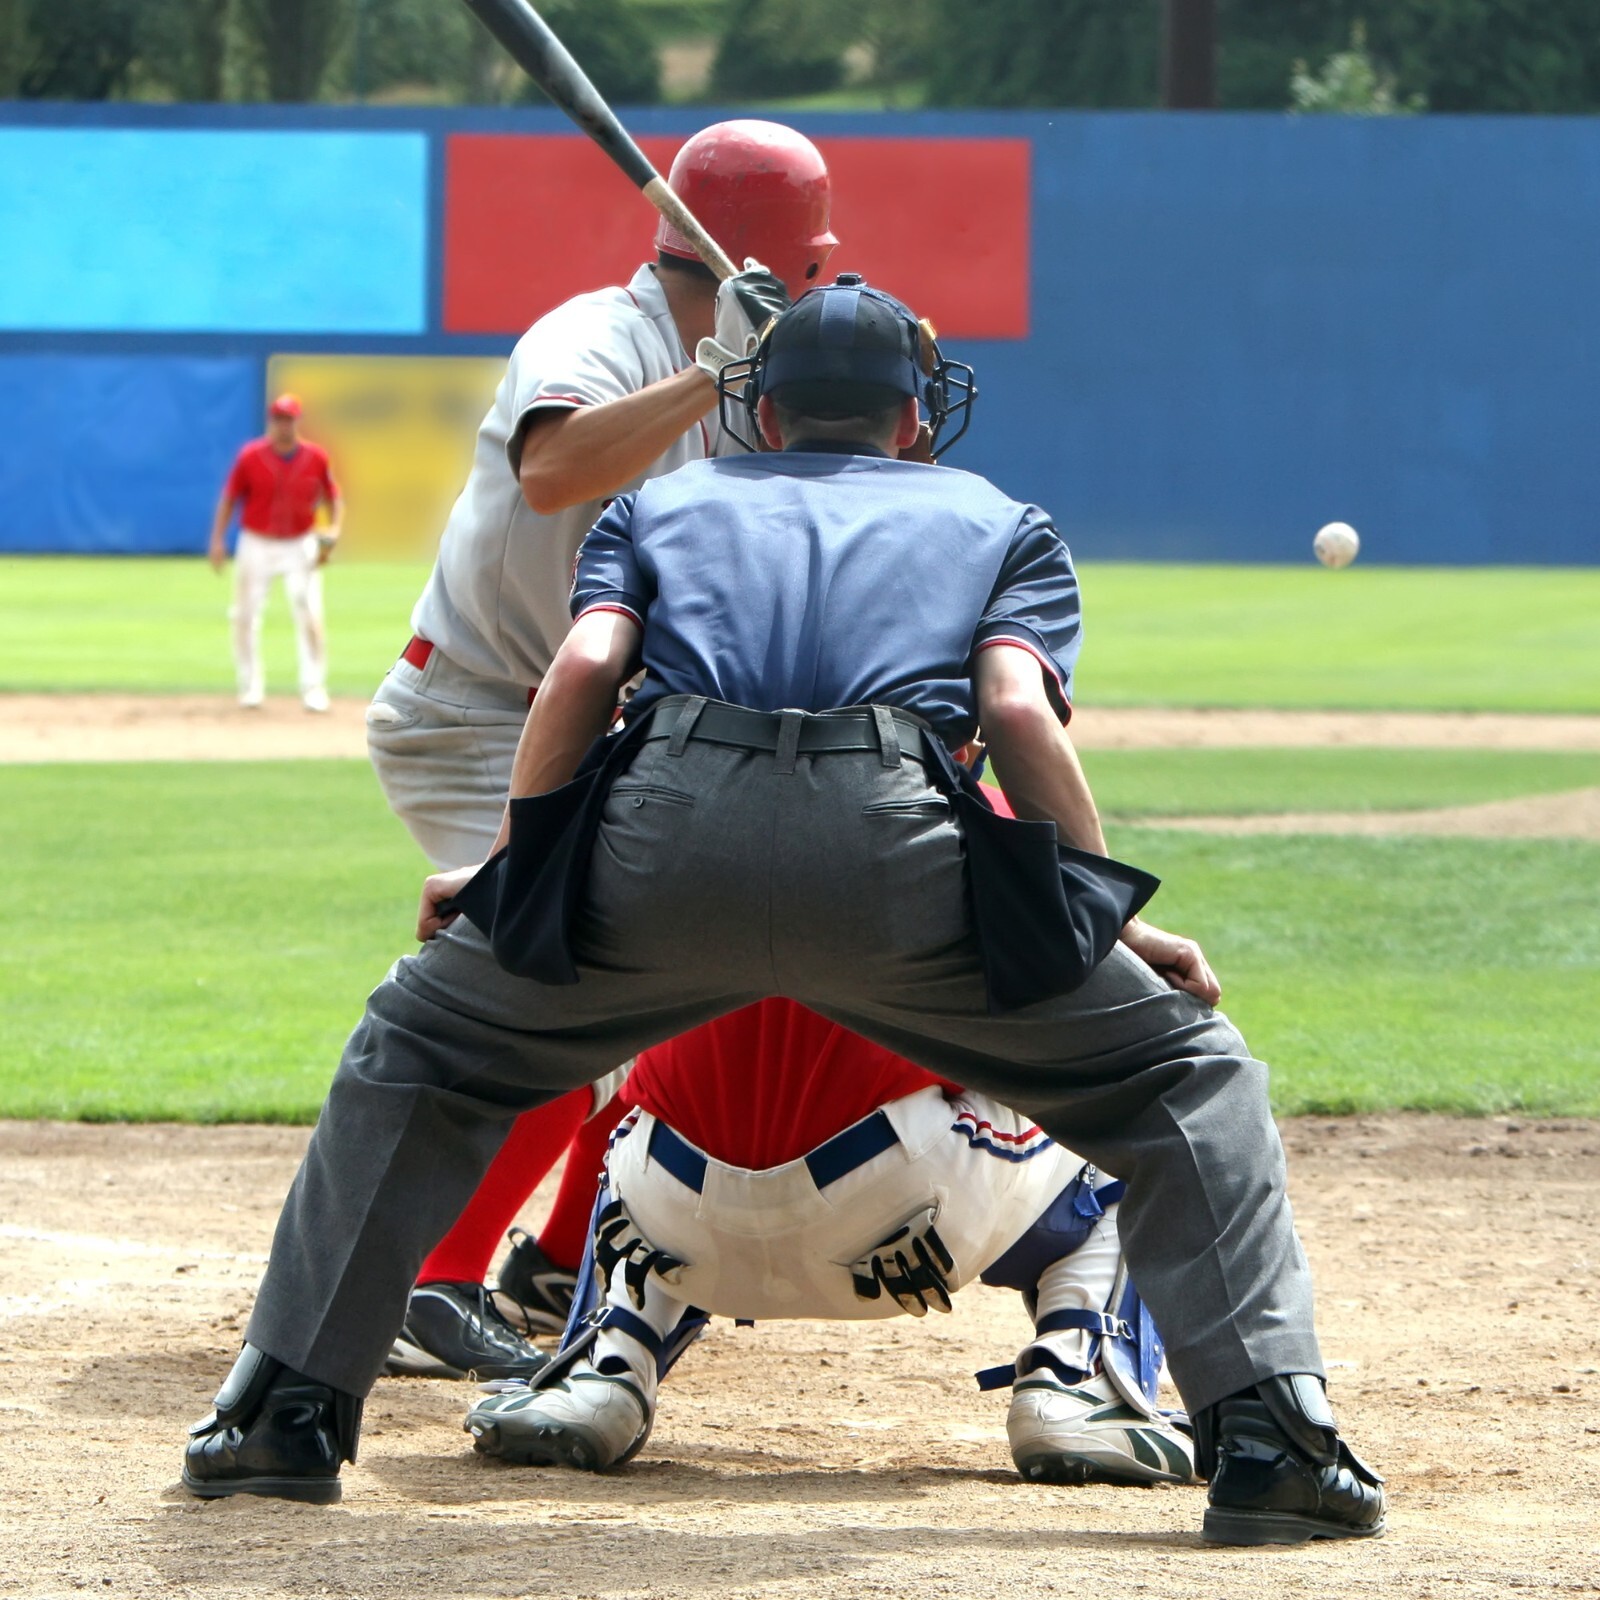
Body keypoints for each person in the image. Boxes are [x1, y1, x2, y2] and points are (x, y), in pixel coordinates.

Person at [181, 278, 1385, 1547]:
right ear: (913, 419)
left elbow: (582, 672)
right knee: (1185, 1077)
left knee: (419, 1046)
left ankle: (282, 1415)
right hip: (896, 851)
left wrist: (505, 869)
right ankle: (1272, 1442)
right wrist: (1111, 918)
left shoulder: (658, 502)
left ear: (760, 410)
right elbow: (1015, 717)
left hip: (660, 840)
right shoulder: (1000, 519)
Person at [367, 120, 832, 1381]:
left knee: (685, 977)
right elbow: (555, 466)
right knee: (561, 983)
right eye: (819, 250)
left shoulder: (755, 378)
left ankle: (564, 1255)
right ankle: (425, 1282)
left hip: (598, 725)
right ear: (784, 255)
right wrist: (714, 371)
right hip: (478, 712)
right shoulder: (592, 337)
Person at [467, 992, 1196, 1488]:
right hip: (904, 1222)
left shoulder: (654, 824)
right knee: (1132, 1097)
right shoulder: (961, 826)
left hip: (676, 1231)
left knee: (640, 1118)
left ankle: (607, 1364)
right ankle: (1078, 1381)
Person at [209, 393, 342, 712]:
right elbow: (230, 498)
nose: (284, 425)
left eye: (289, 419)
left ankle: (313, 688)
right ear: (272, 422)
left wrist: (334, 530)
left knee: (309, 613)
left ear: (298, 421)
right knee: (244, 615)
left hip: (300, 541)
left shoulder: (315, 457)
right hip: (257, 541)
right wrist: (217, 539)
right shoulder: (251, 456)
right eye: (279, 419)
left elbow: (333, 497)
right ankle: (250, 687)